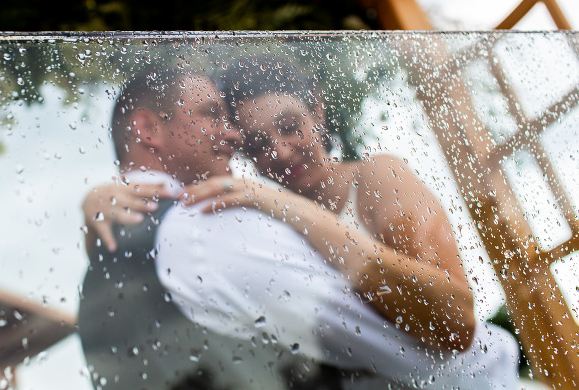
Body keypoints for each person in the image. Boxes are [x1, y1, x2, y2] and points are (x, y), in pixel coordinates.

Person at [80, 63, 520, 389]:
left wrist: (286, 205)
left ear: (318, 110)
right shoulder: (244, 218)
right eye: (257, 144)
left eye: (290, 126)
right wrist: (102, 202)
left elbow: (456, 323)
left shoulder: (374, 177)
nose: (283, 152)